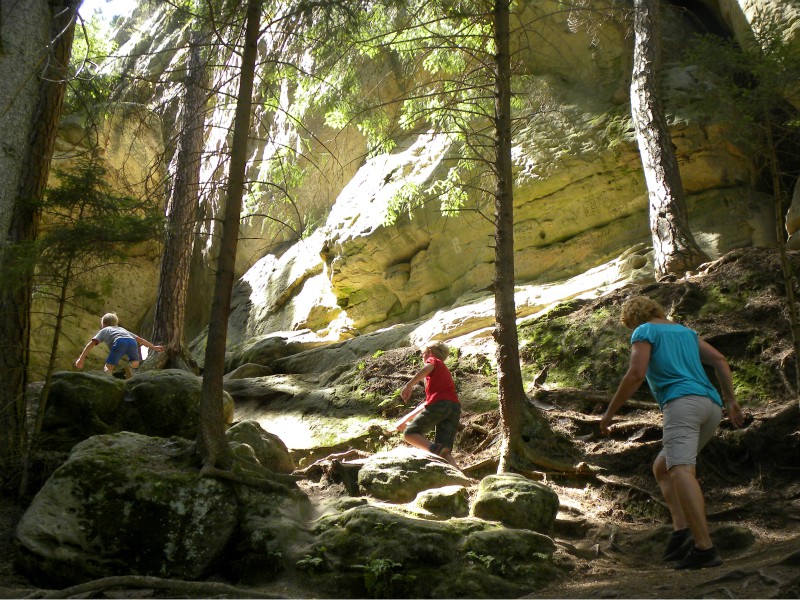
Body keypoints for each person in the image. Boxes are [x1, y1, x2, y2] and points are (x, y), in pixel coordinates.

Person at [600, 296, 744, 570]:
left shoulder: (645, 330)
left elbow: (636, 373)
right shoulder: (686, 332)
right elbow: (720, 360)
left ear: (632, 319)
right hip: (711, 406)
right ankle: (682, 530)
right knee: (663, 467)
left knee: (680, 471)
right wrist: (730, 400)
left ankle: (704, 548)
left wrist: (609, 413)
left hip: (682, 404)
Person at [398, 341, 461, 468]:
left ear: (430, 352)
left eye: (423, 354)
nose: (423, 357)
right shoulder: (443, 371)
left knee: (410, 433)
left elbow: (427, 368)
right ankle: (462, 479)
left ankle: (434, 450)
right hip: (454, 407)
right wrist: (406, 420)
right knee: (444, 451)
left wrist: (409, 385)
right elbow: (428, 403)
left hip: (441, 404)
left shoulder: (434, 361)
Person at [75, 312, 164, 379]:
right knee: (135, 363)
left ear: (104, 324)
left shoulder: (105, 330)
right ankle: (130, 370)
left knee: (108, 367)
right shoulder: (121, 329)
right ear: (116, 323)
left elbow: (91, 344)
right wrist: (154, 347)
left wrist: (81, 358)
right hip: (132, 342)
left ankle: (109, 381)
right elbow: (140, 340)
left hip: (119, 342)